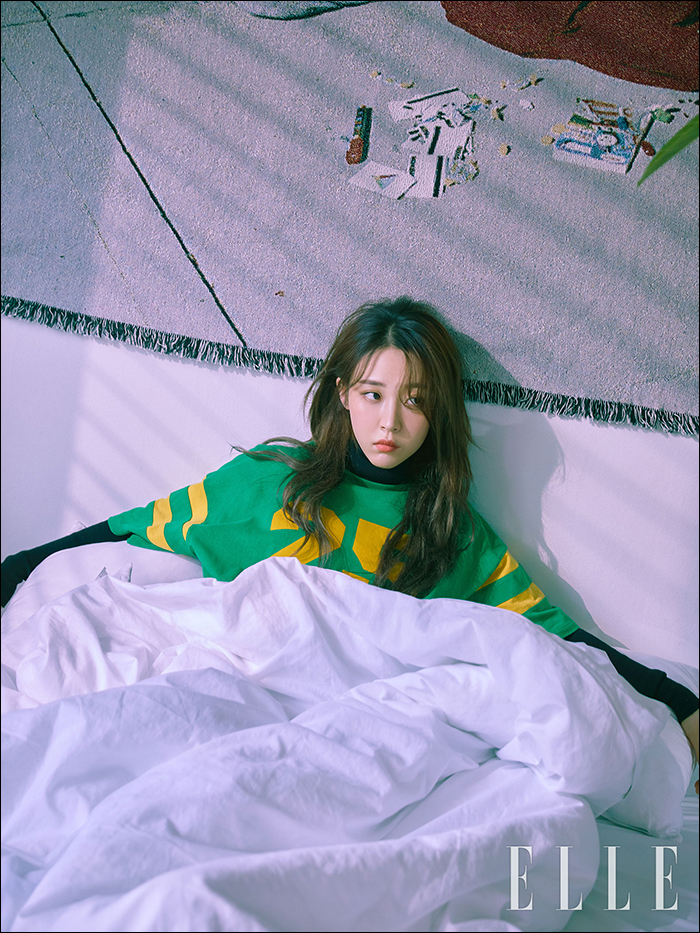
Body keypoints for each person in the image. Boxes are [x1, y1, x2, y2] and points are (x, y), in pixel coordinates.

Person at [2, 296, 698, 779]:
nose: (390, 421)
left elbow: (555, 634)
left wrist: (681, 701)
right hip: (225, 689)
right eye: (373, 394)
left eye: (416, 400)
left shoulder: (451, 532)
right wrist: (17, 567)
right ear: (341, 392)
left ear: (438, 413)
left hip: (344, 729)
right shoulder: (271, 480)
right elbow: (137, 522)